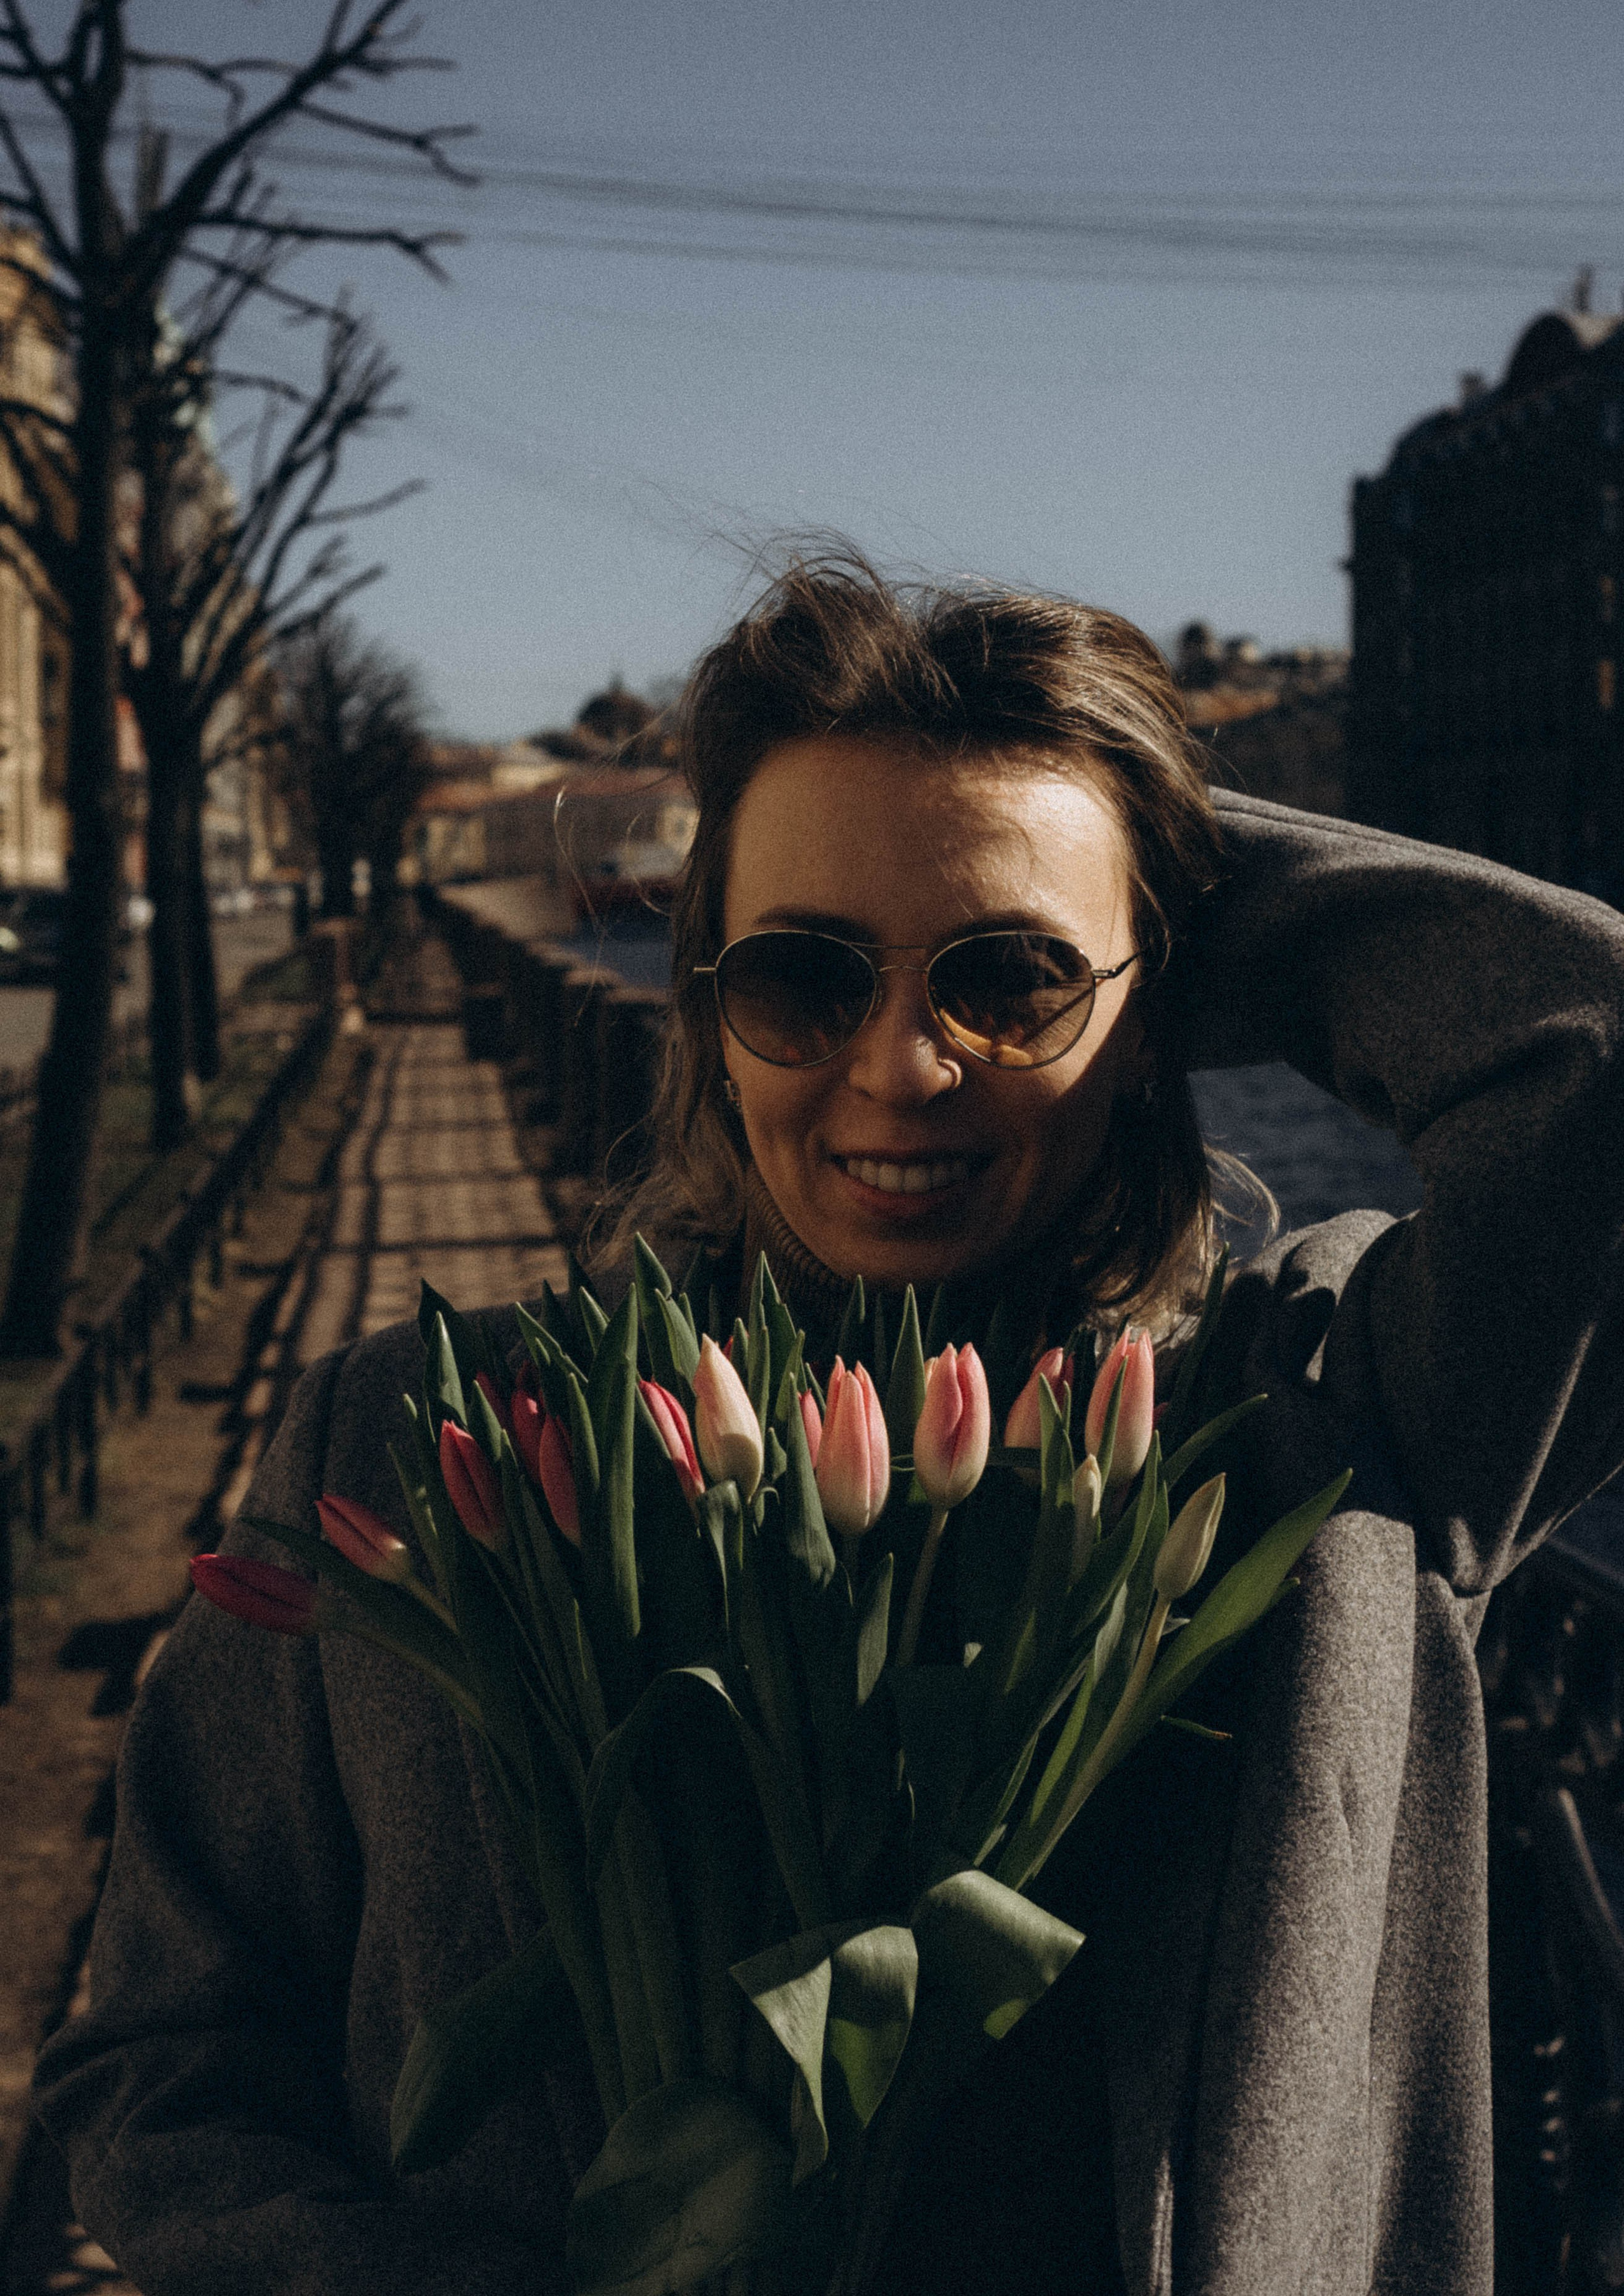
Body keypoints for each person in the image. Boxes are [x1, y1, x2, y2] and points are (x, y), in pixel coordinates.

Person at [34, 550, 1624, 2295]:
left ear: (1155, 999)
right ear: (707, 1008)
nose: (903, 1067)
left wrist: (1132, 849)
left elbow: (1594, 1057)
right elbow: (157, 2066)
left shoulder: (1319, 1434)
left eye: (1005, 982)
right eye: (804, 976)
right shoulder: (420, 1442)